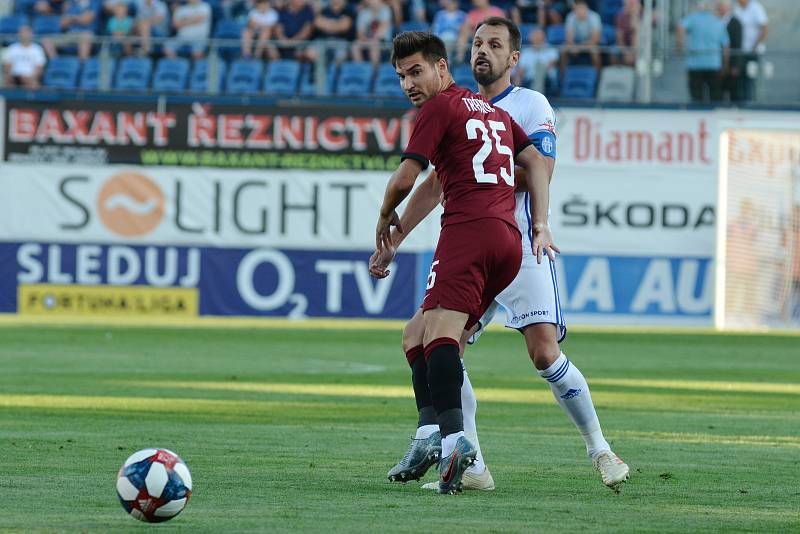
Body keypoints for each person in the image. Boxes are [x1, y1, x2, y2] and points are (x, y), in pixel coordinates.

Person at [371, 17, 629, 492]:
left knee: (542, 351)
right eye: (476, 43)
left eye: (493, 44)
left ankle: (599, 448)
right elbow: (434, 186)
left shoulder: (528, 104)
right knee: (433, 339)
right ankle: (470, 464)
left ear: (514, 58)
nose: (482, 51)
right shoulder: (473, 106)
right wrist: (399, 235)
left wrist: (537, 220)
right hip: (495, 240)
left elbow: (541, 167)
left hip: (518, 240)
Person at [373, 30, 556, 494]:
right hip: (508, 243)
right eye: (400, 76)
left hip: (469, 233)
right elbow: (534, 160)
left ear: (440, 68)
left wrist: (384, 216)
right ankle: (428, 434)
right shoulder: (492, 111)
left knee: (439, 336)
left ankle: (454, 442)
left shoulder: (439, 108)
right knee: (416, 333)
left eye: (416, 72)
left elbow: (406, 178)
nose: (409, 84)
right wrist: (538, 223)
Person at [676, 0, 729, 103]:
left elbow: (680, 26)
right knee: (715, 98)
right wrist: (725, 65)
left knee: (696, 99)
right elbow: (726, 46)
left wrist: (680, 45)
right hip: (714, 64)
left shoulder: (693, 18)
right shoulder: (718, 22)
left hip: (695, 65)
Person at [733, 0, 768, 101]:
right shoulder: (736, 8)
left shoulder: (756, 7)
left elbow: (765, 28)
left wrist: (755, 45)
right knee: (740, 79)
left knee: (751, 79)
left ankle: (751, 103)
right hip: (739, 52)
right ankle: (741, 103)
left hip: (753, 52)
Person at [560, 0, 602, 72]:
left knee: (594, 50)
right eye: (578, 9)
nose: (580, 11)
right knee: (563, 49)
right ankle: (562, 77)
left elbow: (595, 39)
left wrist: (580, 47)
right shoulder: (571, 16)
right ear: (575, 9)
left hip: (590, 43)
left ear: (587, 8)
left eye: (582, 8)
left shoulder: (594, 16)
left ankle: (597, 76)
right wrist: (573, 46)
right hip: (576, 43)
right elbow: (569, 38)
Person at [514, 26, 558, 93]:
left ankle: (538, 90)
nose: (537, 39)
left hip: (547, 81)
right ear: (530, 38)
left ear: (544, 38)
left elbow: (551, 64)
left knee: (539, 67)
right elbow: (521, 71)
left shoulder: (551, 50)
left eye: (539, 37)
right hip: (530, 82)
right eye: (534, 37)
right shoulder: (526, 53)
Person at [351, 0, 394, 65]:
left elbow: (383, 29)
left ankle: (374, 71)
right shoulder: (363, 13)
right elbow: (359, 33)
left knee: (374, 44)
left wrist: (373, 39)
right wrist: (366, 39)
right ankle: (361, 69)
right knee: (355, 45)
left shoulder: (386, 9)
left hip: (384, 41)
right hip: (367, 40)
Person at [716, 0, 743, 103]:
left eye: (721, 6)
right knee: (718, 92)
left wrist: (735, 65)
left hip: (731, 64)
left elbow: (737, 45)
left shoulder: (735, 23)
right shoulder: (716, 21)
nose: (719, 8)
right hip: (718, 63)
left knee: (733, 92)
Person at [613, 0, 640, 67]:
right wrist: (626, 52)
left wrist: (634, 15)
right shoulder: (620, 16)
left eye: (633, 4)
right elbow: (619, 38)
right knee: (613, 51)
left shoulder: (643, 14)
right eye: (629, 4)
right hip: (624, 45)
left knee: (635, 37)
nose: (631, 6)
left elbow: (636, 33)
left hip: (639, 45)